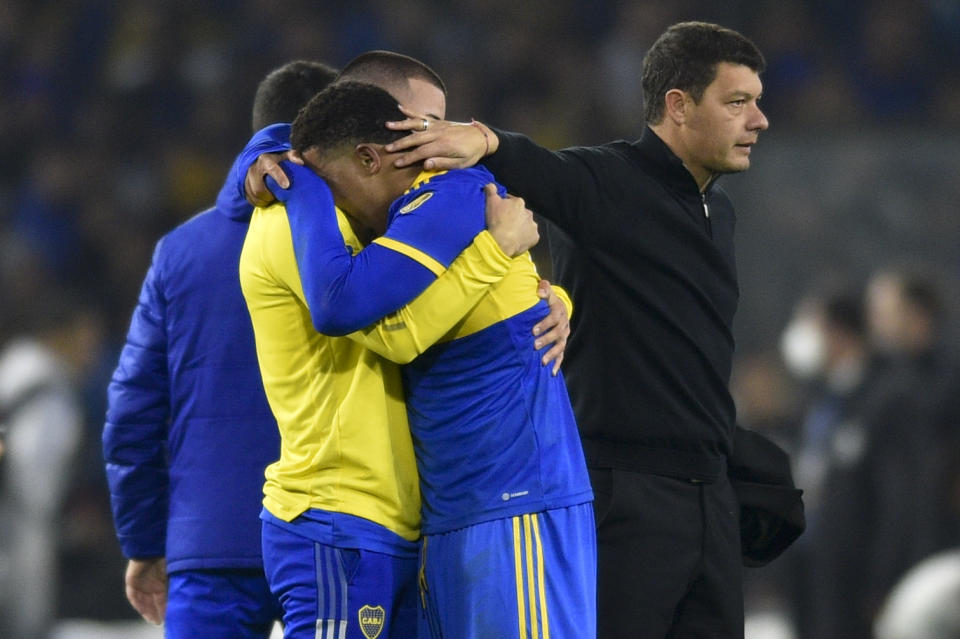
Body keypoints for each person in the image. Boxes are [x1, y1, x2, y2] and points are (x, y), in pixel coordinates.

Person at [377, 20, 774, 638]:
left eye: (756, 101)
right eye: (737, 102)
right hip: (626, 495)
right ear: (678, 105)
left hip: (710, 499)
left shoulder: (717, 209)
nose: (759, 120)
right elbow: (534, 167)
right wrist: (482, 139)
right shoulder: (608, 181)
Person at [236, 52, 566, 639]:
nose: (437, 145)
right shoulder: (297, 214)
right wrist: (494, 252)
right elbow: (398, 337)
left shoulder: (368, 219)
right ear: (372, 135)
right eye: (422, 123)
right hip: (336, 515)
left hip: (394, 522)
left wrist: (550, 298)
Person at [101, 60, 338, 638]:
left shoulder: (180, 252)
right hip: (335, 534)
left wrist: (145, 541)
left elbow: (130, 415)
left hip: (208, 545)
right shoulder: (366, 240)